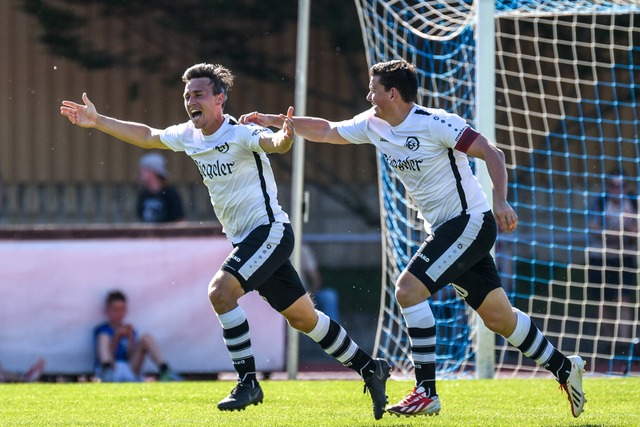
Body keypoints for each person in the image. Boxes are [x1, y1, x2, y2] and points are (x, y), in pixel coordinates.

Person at [240, 59, 587, 418]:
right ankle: (565, 368)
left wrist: (500, 198)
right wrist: (275, 122)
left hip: (469, 223)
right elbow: (328, 130)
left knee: (407, 290)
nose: (367, 94)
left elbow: (492, 153)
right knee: (499, 318)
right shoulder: (373, 123)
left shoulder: (437, 123)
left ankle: (426, 391)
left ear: (392, 93)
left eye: (373, 88)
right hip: (449, 232)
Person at [60, 63, 390, 419]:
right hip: (249, 240)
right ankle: (370, 367)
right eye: (187, 96)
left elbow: (273, 144)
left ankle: (248, 382)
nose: (191, 101)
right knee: (304, 318)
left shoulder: (239, 133)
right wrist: (99, 121)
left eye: (198, 94)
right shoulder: (189, 134)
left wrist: (285, 136)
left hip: (270, 232)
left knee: (220, 292)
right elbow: (148, 135)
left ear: (220, 99)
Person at [587, 168, 638, 354]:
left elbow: (635, 230)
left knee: (624, 299)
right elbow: (593, 227)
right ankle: (608, 344)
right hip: (601, 258)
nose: (618, 190)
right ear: (608, 187)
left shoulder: (633, 202)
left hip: (624, 258)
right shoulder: (600, 203)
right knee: (604, 301)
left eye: (621, 186)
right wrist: (618, 233)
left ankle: (625, 344)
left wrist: (619, 233)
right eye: (614, 186)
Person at [94, 290, 182, 382]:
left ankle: (165, 370)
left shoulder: (130, 329)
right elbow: (106, 355)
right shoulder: (101, 330)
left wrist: (130, 338)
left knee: (146, 338)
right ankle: (107, 372)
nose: (119, 313)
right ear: (108, 310)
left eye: (122, 310)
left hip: (130, 370)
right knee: (103, 337)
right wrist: (117, 337)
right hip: (112, 369)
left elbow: (131, 357)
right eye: (115, 310)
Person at [136, 152, 185, 223]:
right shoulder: (143, 194)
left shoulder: (170, 194)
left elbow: (180, 221)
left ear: (153, 172)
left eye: (144, 170)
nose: (140, 173)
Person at [300, 243, 341, 322]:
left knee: (329, 296)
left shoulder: (301, 249)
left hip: (306, 295)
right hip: (286, 299)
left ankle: (332, 331)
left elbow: (316, 279)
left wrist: (307, 298)